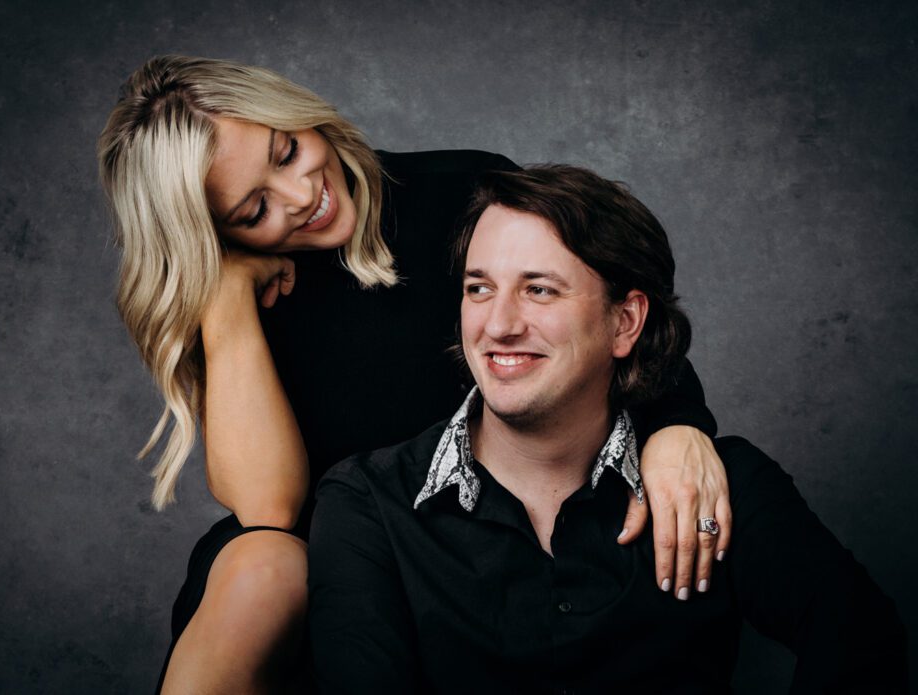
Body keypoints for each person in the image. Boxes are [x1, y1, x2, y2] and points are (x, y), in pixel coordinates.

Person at [98, 56, 733, 693]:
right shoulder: (247, 293)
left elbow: (612, 319)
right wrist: (225, 303)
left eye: (287, 151)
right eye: (254, 208)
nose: (302, 196)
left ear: (297, 113)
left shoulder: (464, 190)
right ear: (213, 231)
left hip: (478, 536)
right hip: (344, 562)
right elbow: (270, 510)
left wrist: (676, 429)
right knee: (260, 562)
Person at [307, 165, 907, 693]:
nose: (498, 324)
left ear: (625, 322)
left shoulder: (721, 483)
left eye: (539, 290)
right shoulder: (369, 505)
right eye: (478, 289)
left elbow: (862, 639)